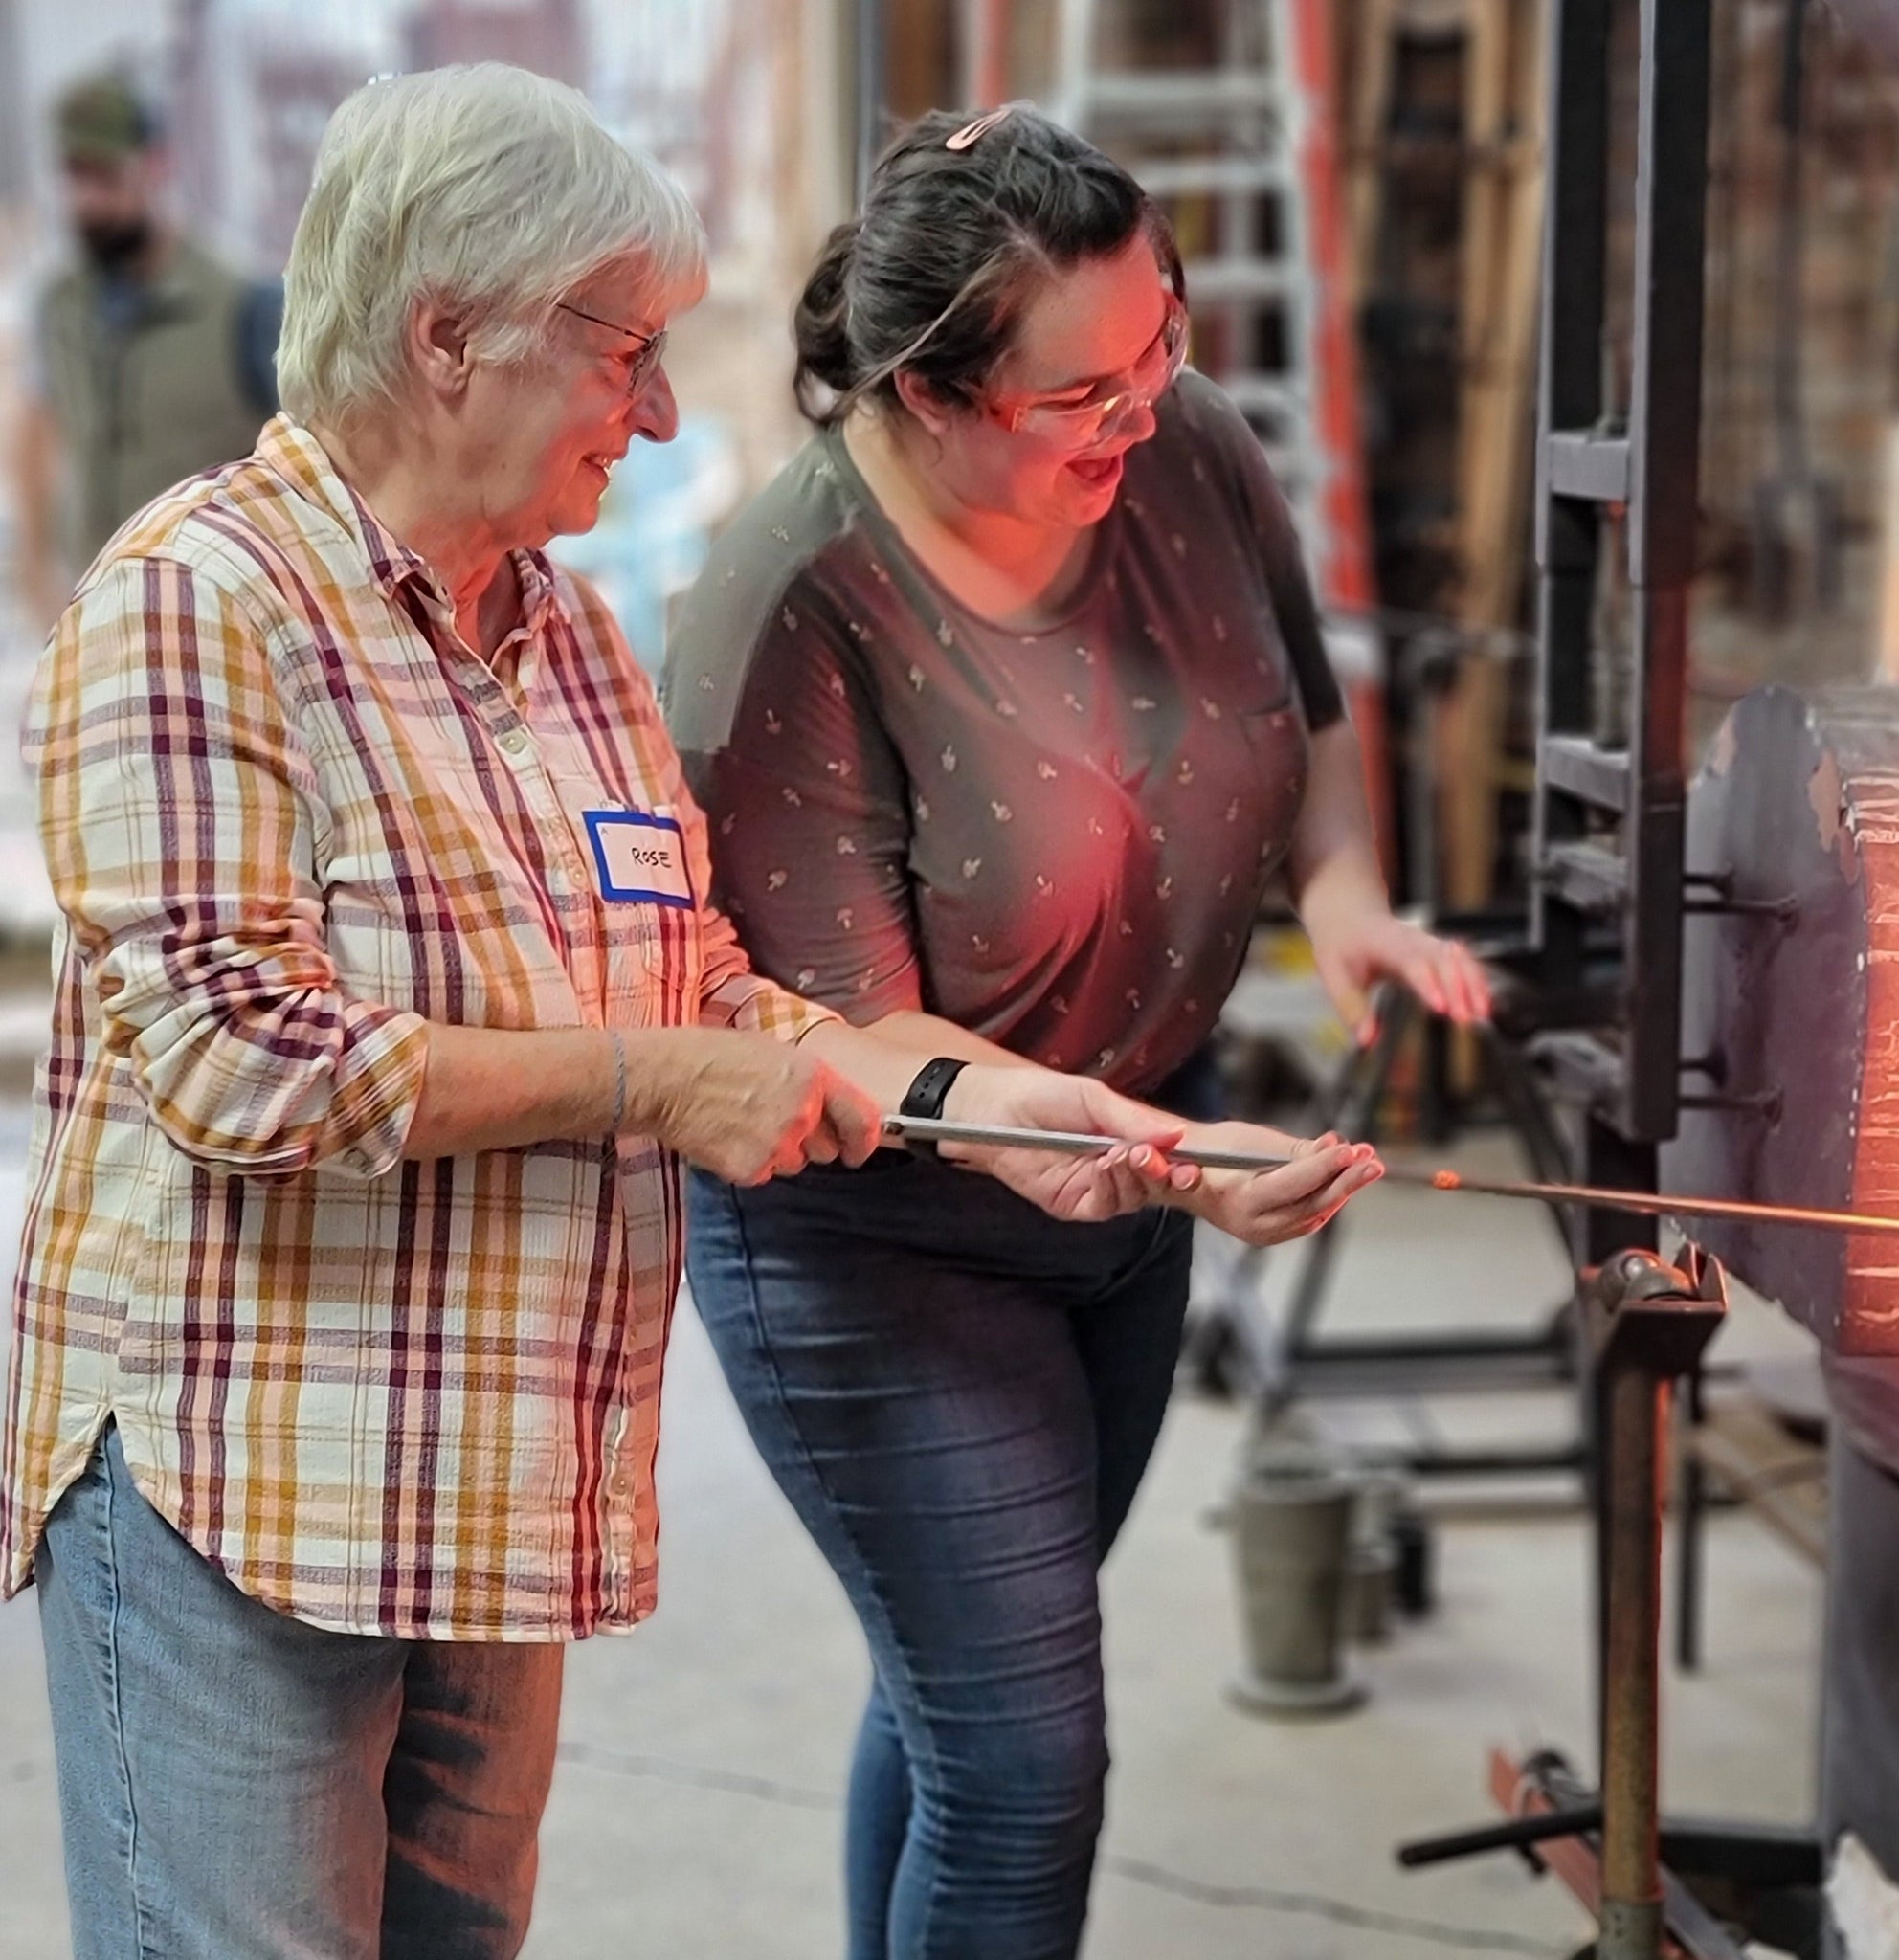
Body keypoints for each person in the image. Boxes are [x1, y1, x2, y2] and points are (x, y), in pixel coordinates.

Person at [0, 66, 1374, 1960]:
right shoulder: (198, 607)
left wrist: (1032, 1116)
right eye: (626, 354)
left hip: (474, 1499)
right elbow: (248, 1060)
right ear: (450, 338)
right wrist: (667, 1080)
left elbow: (719, 985)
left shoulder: (555, 641)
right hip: (249, 1496)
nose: (657, 414)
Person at [661, 103, 1490, 1960]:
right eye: (1084, 387)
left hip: (1123, 1174)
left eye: (1164, 338)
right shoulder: (785, 607)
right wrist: (1150, 1148)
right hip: (873, 1232)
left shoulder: (1182, 450)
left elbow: (1301, 706)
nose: (1149, 403)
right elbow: (848, 1037)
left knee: (967, 1700)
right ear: (940, 395)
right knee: (1025, 1760)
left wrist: (1342, 900)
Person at [12, 68, 283, 634]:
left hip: (215, 630)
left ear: (157, 164)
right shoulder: (60, 307)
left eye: (107, 177)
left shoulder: (243, 305)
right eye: (75, 177)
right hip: (97, 624)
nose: (89, 200)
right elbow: (37, 435)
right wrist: (37, 576)